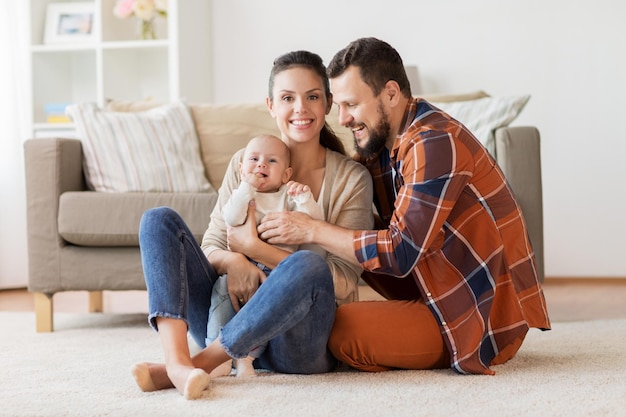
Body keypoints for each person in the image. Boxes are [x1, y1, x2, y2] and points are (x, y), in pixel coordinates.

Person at [256, 37, 551, 375]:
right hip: (432, 287)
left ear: (391, 94)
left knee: (340, 329)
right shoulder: (382, 144)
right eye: (337, 106)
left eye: (351, 104)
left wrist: (310, 228)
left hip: (476, 314)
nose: (343, 118)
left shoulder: (435, 142)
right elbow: (347, 200)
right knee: (356, 233)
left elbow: (400, 251)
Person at [131, 50, 374, 399]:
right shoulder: (245, 162)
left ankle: (203, 360)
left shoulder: (352, 179)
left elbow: (342, 281)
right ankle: (177, 363)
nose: (300, 109)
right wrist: (235, 261)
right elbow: (212, 245)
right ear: (271, 105)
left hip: (296, 345)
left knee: (307, 263)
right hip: (229, 313)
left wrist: (256, 249)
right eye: (287, 98)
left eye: (313, 97)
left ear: (328, 104)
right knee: (158, 221)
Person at [207, 133, 323, 378]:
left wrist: (305, 199)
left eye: (271, 161)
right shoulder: (243, 194)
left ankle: (246, 358)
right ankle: (214, 351)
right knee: (221, 294)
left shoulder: (287, 196)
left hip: (277, 272)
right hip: (239, 269)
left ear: (286, 174)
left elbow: (313, 225)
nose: (261, 165)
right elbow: (231, 217)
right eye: (254, 159)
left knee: (266, 310)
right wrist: (245, 187)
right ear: (241, 168)